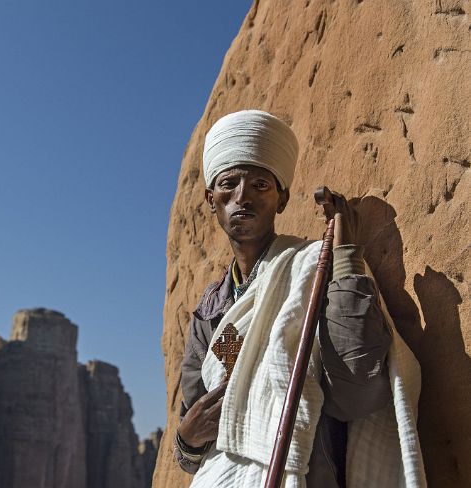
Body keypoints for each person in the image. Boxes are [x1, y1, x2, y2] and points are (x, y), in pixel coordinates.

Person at [173, 110, 426, 487]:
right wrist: (187, 438)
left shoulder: (311, 270)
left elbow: (357, 393)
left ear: (282, 199)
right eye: (229, 183)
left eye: (260, 185)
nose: (242, 197)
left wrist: (345, 259)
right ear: (211, 199)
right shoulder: (211, 309)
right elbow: (191, 444)